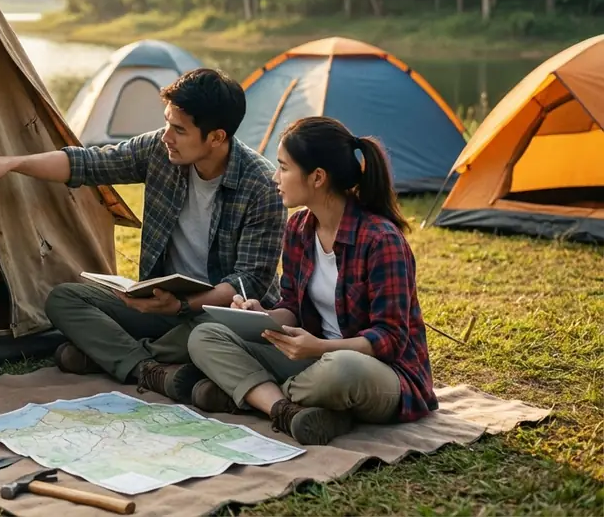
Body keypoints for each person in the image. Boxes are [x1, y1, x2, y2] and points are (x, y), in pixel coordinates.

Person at [0, 68, 286, 408]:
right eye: (167, 123)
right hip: (162, 304)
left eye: (179, 130)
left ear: (216, 137)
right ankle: (151, 369)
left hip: (217, 313)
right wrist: (11, 163)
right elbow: (88, 164)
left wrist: (184, 305)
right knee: (64, 299)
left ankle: (113, 356)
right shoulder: (159, 150)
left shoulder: (260, 186)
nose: (166, 136)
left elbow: (248, 282)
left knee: (202, 334)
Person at [186, 116, 438, 446]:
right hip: (313, 359)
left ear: (317, 177)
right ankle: (282, 408)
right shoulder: (299, 229)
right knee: (205, 335)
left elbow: (389, 339)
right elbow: (291, 305)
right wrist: (261, 315)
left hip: (375, 371)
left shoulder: (381, 240)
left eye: (284, 167)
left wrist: (321, 347)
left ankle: (249, 394)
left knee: (342, 369)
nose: (275, 177)